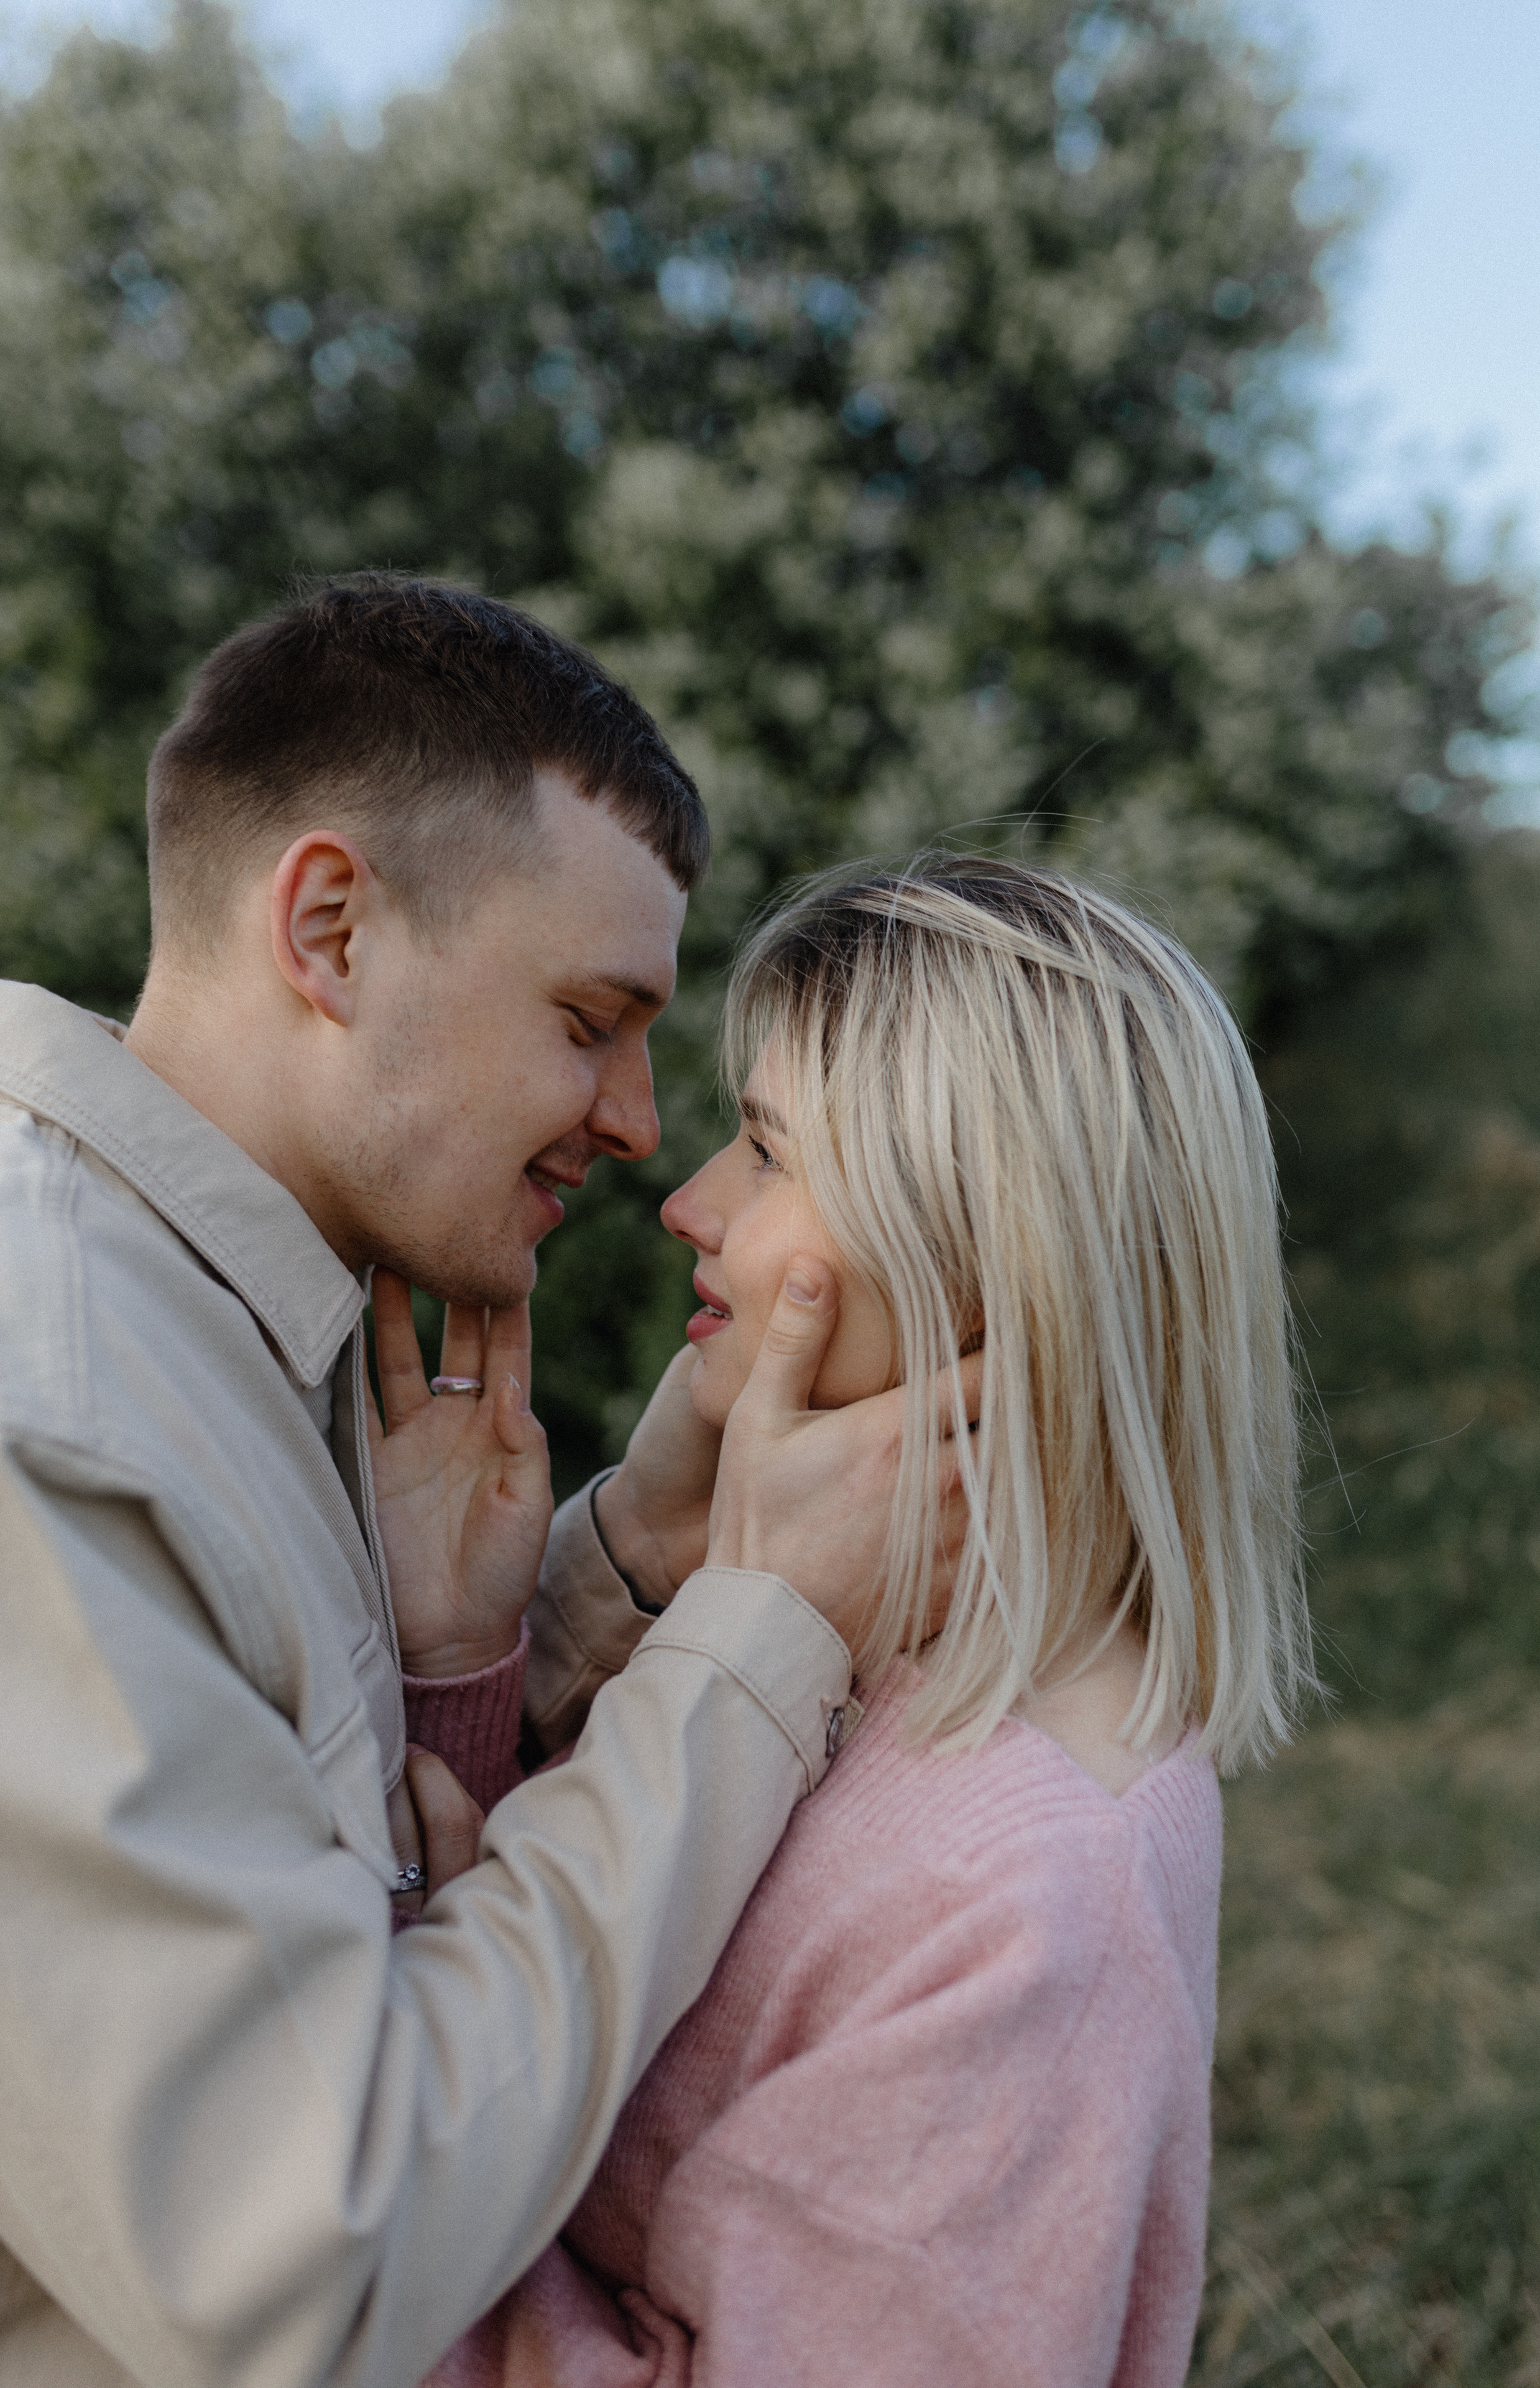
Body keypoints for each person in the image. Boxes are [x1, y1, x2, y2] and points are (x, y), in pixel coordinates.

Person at [0, 580, 973, 2388]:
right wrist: (751, 1650)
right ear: (333, 929)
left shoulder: (208, 1335)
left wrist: (605, 1578)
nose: (634, 1122)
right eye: (592, 1018)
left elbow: (258, 1849)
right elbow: (298, 2257)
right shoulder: (51, 1406)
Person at [401, 857, 1316, 2388]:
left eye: (764, 1152)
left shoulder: (1025, 1909)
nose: (686, 1199)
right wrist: (500, 1644)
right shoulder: (814, 1618)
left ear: (975, 1261)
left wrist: (386, 2045)